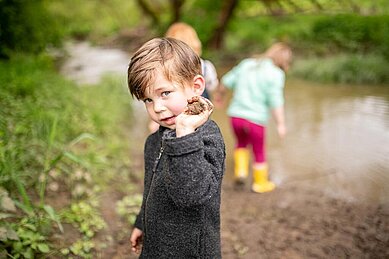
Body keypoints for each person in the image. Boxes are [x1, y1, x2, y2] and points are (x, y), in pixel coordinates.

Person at [127, 37, 226, 258]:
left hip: (193, 252)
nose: (158, 108)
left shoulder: (208, 137)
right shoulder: (154, 141)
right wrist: (141, 222)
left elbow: (191, 196)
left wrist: (184, 135)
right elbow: (149, 188)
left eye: (165, 93)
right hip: (156, 247)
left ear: (196, 87)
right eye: (147, 100)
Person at [217, 42, 292, 193]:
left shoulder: (247, 64)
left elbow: (226, 81)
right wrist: (281, 124)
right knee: (259, 151)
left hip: (236, 116)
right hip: (256, 120)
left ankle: (241, 173)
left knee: (241, 143)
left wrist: (219, 96)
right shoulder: (277, 74)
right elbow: (276, 101)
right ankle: (260, 183)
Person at [148, 22, 219, 133]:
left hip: (172, 116)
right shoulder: (206, 66)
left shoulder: (165, 69)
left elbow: (157, 92)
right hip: (200, 115)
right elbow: (212, 86)